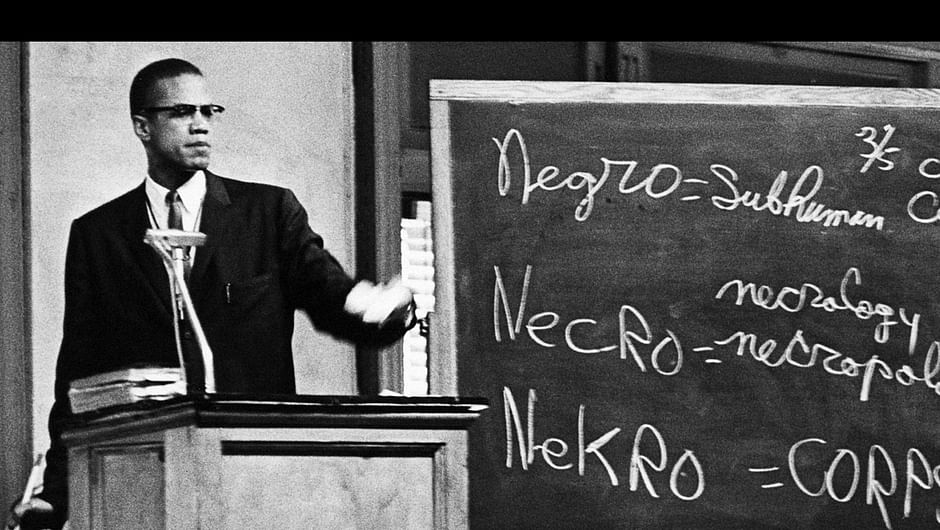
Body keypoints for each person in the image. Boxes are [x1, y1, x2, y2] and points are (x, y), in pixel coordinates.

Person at [5, 57, 415, 530]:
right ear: (142, 126)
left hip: (254, 477)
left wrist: (385, 308)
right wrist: (58, 496)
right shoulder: (98, 235)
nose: (200, 125)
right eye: (182, 112)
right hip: (146, 480)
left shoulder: (268, 213)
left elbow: (334, 298)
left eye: (208, 111)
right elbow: (78, 378)